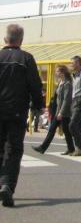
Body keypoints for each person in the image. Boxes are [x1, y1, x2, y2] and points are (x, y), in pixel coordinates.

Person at [0, 24, 43, 207]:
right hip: (17, 111)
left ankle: (2, 183)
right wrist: (38, 106)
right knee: (14, 149)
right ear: (21, 40)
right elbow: (35, 85)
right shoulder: (26, 58)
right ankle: (7, 185)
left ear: (5, 39)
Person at [32, 65, 75, 155]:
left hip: (64, 112)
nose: (56, 73)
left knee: (65, 131)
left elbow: (67, 100)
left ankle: (70, 148)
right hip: (58, 111)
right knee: (57, 130)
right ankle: (70, 148)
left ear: (62, 73)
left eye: (57, 71)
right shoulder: (60, 82)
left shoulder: (67, 84)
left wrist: (61, 113)